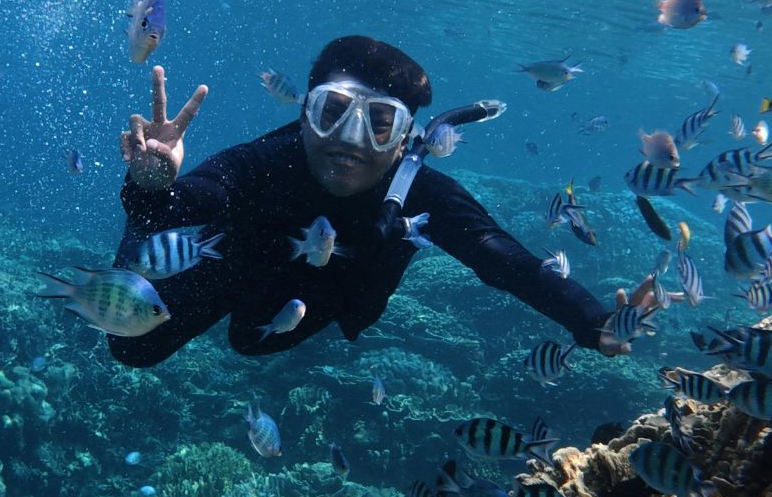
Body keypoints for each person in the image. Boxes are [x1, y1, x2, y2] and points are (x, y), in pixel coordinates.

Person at [112, 35, 611, 367]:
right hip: (232, 268)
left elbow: (500, 257)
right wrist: (151, 186)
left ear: (405, 138)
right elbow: (186, 202)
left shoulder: (419, 190)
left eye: (379, 123)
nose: (350, 141)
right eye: (333, 112)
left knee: (251, 344)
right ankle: (139, 260)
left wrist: (594, 321)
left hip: (323, 295)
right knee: (131, 346)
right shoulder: (264, 160)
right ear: (305, 114)